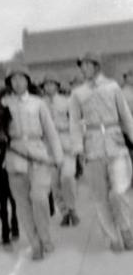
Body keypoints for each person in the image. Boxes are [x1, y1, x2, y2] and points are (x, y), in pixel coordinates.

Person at [70, 52, 133, 252]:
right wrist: (79, 149)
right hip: (92, 148)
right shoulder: (77, 94)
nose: (85, 69)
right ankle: (113, 237)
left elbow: (125, 115)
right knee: (100, 197)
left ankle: (126, 230)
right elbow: (74, 124)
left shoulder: (113, 87)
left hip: (115, 144)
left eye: (89, 65)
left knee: (120, 192)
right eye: (83, 66)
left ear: (97, 66)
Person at [2, 64, 63, 261]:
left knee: (40, 198)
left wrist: (58, 156)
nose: (17, 82)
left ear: (28, 81)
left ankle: (45, 237)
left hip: (38, 154)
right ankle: (35, 243)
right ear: (9, 83)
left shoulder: (38, 103)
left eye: (21, 78)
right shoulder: (4, 104)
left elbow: (51, 131)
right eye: (13, 79)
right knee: (22, 204)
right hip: (15, 156)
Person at [40, 72, 80, 227]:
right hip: (48, 148)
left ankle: (73, 209)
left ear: (57, 86)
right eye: (46, 84)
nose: (49, 87)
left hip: (66, 145)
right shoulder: (40, 104)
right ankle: (64, 212)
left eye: (52, 84)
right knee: (54, 183)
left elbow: (76, 122)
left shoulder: (67, 102)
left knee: (67, 177)